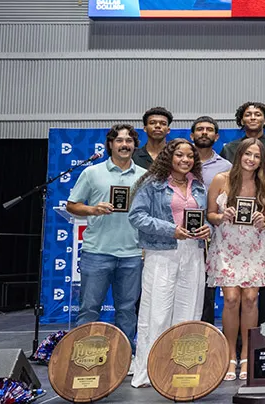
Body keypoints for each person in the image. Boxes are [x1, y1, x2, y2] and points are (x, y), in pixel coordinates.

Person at [128, 139, 210, 387]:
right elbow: (137, 216)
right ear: (168, 157)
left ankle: (181, 367)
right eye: (179, 155)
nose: (185, 160)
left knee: (189, 312)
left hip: (193, 253)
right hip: (162, 253)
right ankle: (151, 370)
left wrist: (208, 231)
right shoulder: (151, 185)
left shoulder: (199, 187)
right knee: (157, 313)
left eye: (189, 156)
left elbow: (206, 220)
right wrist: (171, 230)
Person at [65, 124, 146, 365]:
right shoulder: (92, 173)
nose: (124, 145)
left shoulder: (144, 175)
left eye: (129, 141)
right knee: (90, 308)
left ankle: (125, 358)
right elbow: (72, 205)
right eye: (119, 140)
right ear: (110, 144)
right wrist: (92, 209)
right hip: (97, 252)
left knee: (127, 311)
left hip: (132, 253)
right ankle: (83, 358)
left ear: (134, 145)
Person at [206, 138, 265, 381]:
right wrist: (220, 215)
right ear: (239, 155)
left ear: (261, 160)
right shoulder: (220, 180)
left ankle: (247, 354)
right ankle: (229, 355)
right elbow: (210, 215)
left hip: (255, 245)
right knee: (232, 298)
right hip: (227, 245)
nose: (251, 160)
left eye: (256, 156)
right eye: (248, 154)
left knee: (250, 299)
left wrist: (262, 220)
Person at [221, 101, 265, 325]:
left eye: (257, 114)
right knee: (236, 292)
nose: (252, 117)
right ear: (241, 120)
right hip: (233, 230)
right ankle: (238, 340)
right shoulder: (229, 148)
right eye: (248, 114)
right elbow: (225, 185)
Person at [190, 116, 232, 324]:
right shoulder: (180, 160)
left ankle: (204, 336)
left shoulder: (226, 167)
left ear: (216, 136)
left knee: (207, 291)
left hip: (213, 236)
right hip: (180, 235)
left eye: (209, 130)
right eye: (199, 129)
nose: (204, 132)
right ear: (192, 135)